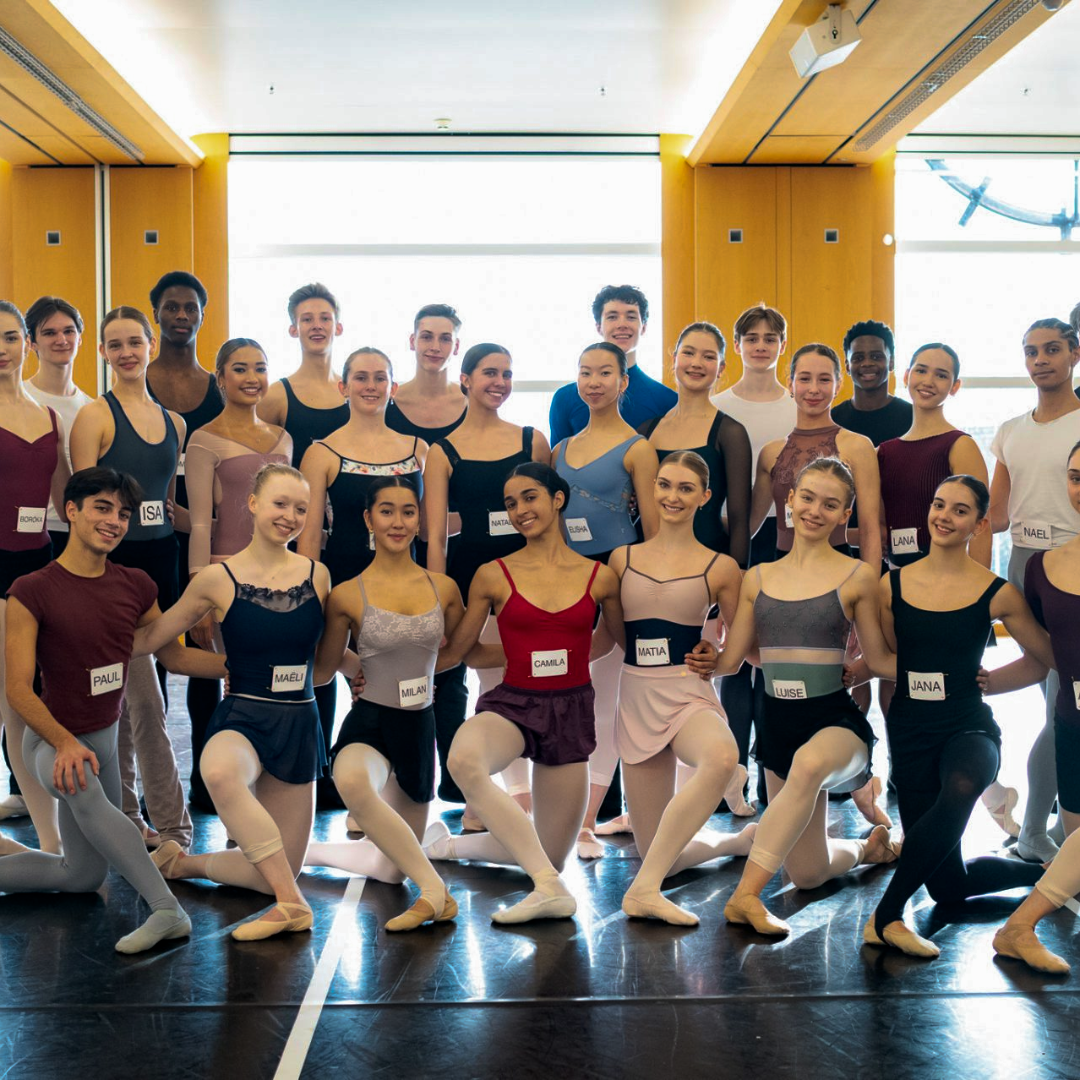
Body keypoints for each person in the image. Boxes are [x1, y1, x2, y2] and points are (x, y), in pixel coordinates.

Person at [3, 467, 226, 952]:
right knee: (83, 789)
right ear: (72, 510)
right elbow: (18, 690)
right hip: (52, 741)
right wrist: (64, 742)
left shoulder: (136, 585)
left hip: (102, 736)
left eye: (123, 514)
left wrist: (238, 670)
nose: (114, 521)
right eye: (102, 508)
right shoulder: (31, 590)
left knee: (81, 875)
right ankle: (168, 910)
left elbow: (172, 656)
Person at [689, 457, 898, 936]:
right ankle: (871, 848)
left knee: (808, 764)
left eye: (830, 504)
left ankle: (745, 896)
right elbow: (732, 661)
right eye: (807, 498)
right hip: (778, 724)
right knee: (807, 873)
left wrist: (941, 662)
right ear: (789, 501)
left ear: (844, 514)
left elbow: (881, 661)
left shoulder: (857, 576)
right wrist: (706, 655)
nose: (815, 511)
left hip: (835, 724)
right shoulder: (759, 577)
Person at [859, 476, 1052, 958]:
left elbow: (1043, 657)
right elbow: (886, 660)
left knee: (965, 782)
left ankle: (885, 917)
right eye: (939, 505)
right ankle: (1048, 873)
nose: (944, 516)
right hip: (910, 730)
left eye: (960, 510)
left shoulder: (996, 592)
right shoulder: (891, 585)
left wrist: (993, 682)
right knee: (948, 887)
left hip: (970, 726)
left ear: (980, 525)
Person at [423, 463, 624, 923]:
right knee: (463, 760)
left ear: (558, 499)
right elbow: (465, 652)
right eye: (511, 503)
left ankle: (449, 847)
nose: (519, 510)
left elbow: (611, 641)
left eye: (529, 497)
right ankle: (550, 890)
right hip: (513, 704)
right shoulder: (492, 575)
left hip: (570, 712)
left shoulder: (601, 577)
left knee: (549, 857)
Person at [142, 464, 331, 941]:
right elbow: (161, 646)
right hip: (244, 716)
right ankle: (294, 905)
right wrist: (229, 668)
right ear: (252, 503)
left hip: (299, 725)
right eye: (280, 504)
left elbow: (326, 658)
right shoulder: (215, 578)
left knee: (274, 871)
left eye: (301, 509)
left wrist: (366, 670)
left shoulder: (319, 575)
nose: (290, 516)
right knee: (221, 771)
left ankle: (181, 864)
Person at [305, 476, 465, 930]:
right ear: (368, 519)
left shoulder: (444, 588)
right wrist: (354, 668)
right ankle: (435, 891)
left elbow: (459, 653)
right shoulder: (346, 594)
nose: (398, 522)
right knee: (352, 779)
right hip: (370, 723)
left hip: (418, 728)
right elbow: (324, 668)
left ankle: (303, 851)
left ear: (419, 520)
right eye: (387, 511)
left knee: (393, 869)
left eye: (408, 512)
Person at [877, 342, 1018, 837]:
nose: (928, 380)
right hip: (903, 587)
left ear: (954, 387)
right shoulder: (885, 451)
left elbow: (982, 523)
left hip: (953, 594)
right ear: (905, 376)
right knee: (896, 690)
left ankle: (978, 788)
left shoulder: (958, 444)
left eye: (941, 374)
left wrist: (973, 599)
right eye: (921, 370)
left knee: (951, 693)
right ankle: (919, 790)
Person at [612, 452, 757, 924]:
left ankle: (643, 892)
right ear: (652, 487)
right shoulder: (621, 559)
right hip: (637, 697)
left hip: (687, 691)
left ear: (705, 497)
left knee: (722, 756)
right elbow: (610, 636)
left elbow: (744, 649)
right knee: (662, 854)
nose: (672, 496)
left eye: (685, 488)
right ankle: (737, 842)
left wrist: (720, 658)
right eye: (665, 484)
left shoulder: (721, 567)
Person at [750, 342, 888, 827]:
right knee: (783, 677)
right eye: (804, 378)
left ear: (837, 384)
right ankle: (792, 782)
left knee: (845, 676)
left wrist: (868, 593)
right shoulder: (772, 451)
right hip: (784, 575)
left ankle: (857, 778)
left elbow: (871, 527)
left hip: (839, 574)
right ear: (790, 383)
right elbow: (751, 525)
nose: (813, 389)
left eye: (823, 379)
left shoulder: (856, 446)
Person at [69, 306, 191, 851]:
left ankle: (131, 814)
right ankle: (168, 824)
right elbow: (84, 507)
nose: (126, 353)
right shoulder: (95, 416)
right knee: (141, 701)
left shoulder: (174, 423)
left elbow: (167, 505)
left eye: (134, 342)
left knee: (137, 697)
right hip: (112, 570)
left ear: (150, 346)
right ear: (102, 352)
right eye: (114, 344)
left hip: (160, 564)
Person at [423, 343, 551, 827]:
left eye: (507, 374)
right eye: (489, 373)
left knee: (520, 680)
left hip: (525, 577)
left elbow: (549, 519)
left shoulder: (531, 441)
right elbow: (436, 535)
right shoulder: (443, 451)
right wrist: (438, 597)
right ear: (465, 379)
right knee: (482, 680)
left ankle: (521, 792)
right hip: (468, 579)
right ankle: (487, 793)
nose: (499, 382)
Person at [551, 341, 659, 857]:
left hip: (616, 578)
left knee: (607, 698)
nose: (593, 382)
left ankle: (589, 820)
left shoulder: (638, 448)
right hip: (569, 580)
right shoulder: (559, 450)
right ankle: (563, 808)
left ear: (623, 382)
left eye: (604, 373)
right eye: (585, 372)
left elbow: (653, 533)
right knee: (568, 692)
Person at [985, 439, 1080, 974]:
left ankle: (1020, 926)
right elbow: (1041, 661)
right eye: (1076, 477)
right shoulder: (1042, 569)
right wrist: (977, 685)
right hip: (1072, 726)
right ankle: (1018, 930)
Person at [989, 317, 1080, 862]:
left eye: (1051, 349)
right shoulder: (1010, 430)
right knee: (1055, 696)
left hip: (1073, 565)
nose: (1040, 360)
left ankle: (1045, 829)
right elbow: (994, 517)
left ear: (1074, 355)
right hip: (1028, 566)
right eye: (1030, 352)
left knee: (1063, 701)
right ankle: (1038, 834)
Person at [184, 338, 292, 792]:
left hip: (281, 576)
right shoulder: (203, 439)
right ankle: (218, 778)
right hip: (227, 576)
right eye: (240, 368)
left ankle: (272, 775)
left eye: (260, 368)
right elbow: (200, 523)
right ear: (220, 377)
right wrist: (200, 597)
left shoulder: (283, 438)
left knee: (274, 678)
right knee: (230, 678)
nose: (252, 378)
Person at [258, 283, 350, 809]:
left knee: (349, 648)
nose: (316, 325)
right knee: (313, 648)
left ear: (338, 326)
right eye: (307, 318)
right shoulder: (278, 396)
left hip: (353, 537)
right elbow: (263, 468)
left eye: (324, 317)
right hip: (301, 540)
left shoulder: (354, 389)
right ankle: (309, 761)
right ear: (294, 328)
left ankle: (344, 759)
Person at [710, 303, 796, 808]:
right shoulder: (717, 405)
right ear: (738, 345)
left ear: (783, 345)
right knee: (736, 659)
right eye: (751, 338)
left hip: (782, 541)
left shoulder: (796, 407)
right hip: (728, 538)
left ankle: (772, 778)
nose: (761, 346)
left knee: (775, 659)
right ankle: (730, 776)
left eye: (770, 338)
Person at [145, 271, 224, 811]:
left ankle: (205, 776)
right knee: (152, 660)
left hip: (205, 540)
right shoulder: (136, 381)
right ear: (156, 314)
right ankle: (154, 787)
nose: (180, 315)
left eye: (190, 307)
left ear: (201, 314)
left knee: (203, 655)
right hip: (151, 540)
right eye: (171, 307)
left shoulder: (218, 387)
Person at [384, 304, 468, 806]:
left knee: (451, 666)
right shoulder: (389, 402)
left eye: (444, 338)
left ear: (456, 346)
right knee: (397, 660)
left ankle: (456, 780)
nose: (435, 346)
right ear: (411, 341)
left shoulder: (469, 402)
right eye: (427, 336)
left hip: (455, 552)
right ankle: (401, 778)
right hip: (399, 549)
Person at [0, 300, 69, 855]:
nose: (1, 349)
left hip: (37, 563)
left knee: (25, 703)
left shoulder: (48, 417)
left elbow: (68, 501)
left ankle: (50, 841)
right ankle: (49, 841)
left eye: (8, 337)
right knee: (9, 700)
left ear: (25, 342)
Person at [298, 347, 426, 587]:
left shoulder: (418, 450)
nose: (371, 386)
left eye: (380, 378)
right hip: (344, 583)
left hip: (407, 585)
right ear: (343, 388)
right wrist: (310, 597)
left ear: (393, 388)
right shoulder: (321, 454)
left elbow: (429, 530)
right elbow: (310, 537)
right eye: (361, 378)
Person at [641, 322, 752, 568]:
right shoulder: (646, 430)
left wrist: (738, 575)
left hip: (709, 564)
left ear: (721, 368)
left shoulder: (731, 433)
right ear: (674, 359)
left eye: (708, 357)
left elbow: (739, 519)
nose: (696, 363)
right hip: (651, 562)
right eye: (688, 353)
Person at [549, 285, 676, 445]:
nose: (622, 324)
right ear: (598, 327)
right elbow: (558, 459)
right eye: (612, 317)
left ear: (643, 327)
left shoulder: (667, 400)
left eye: (631, 317)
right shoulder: (565, 398)